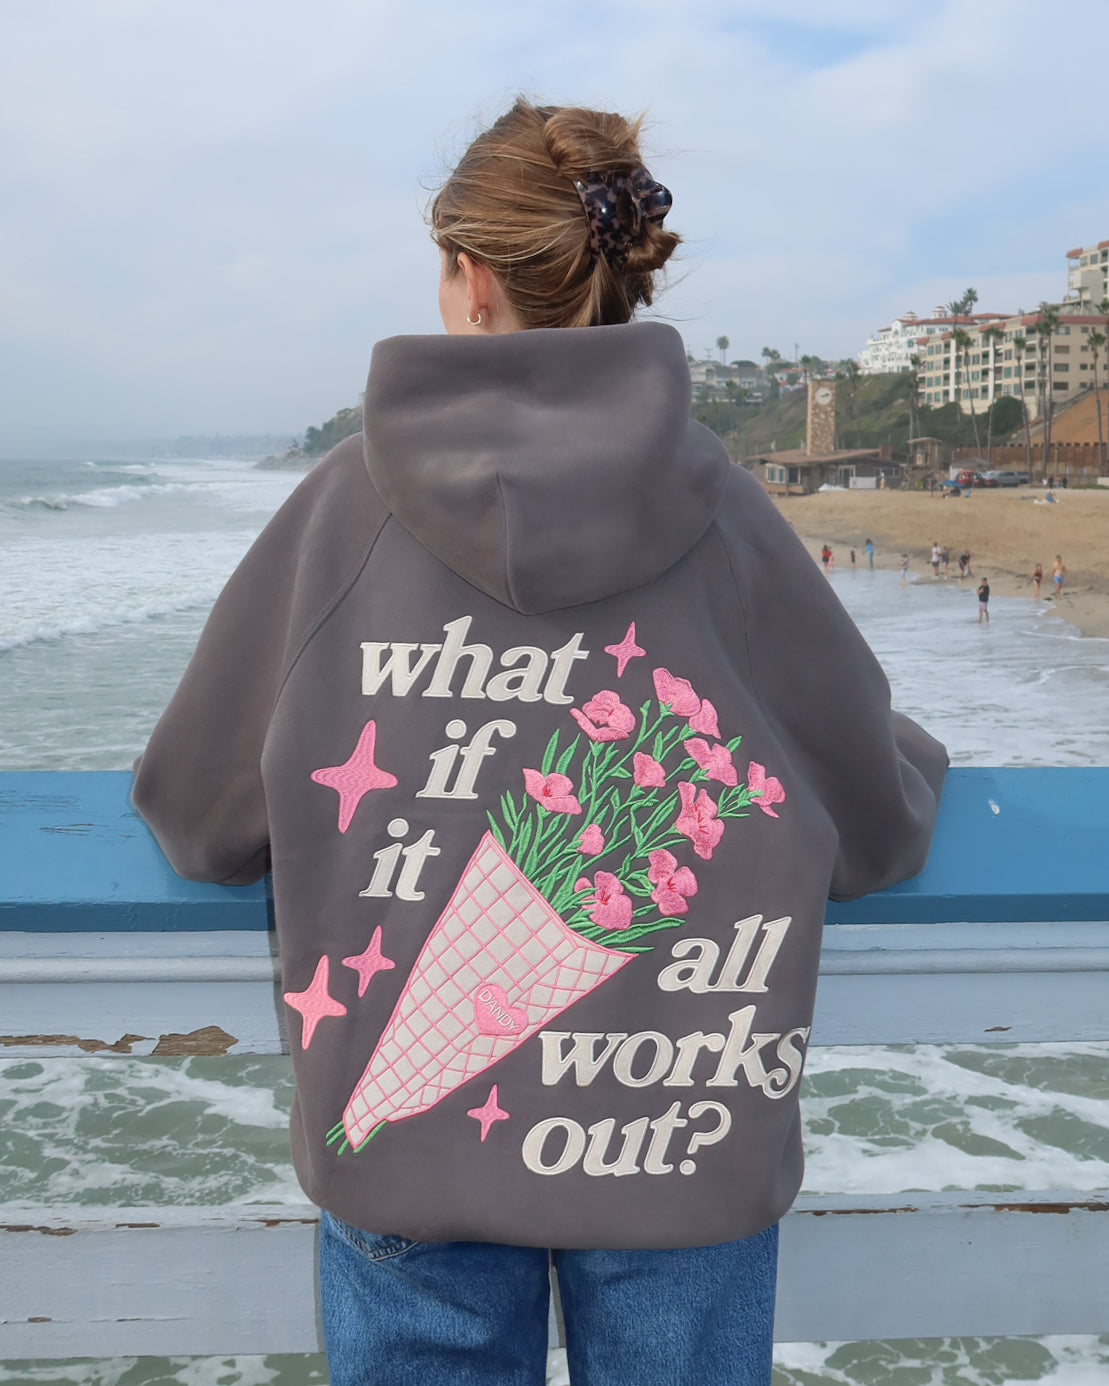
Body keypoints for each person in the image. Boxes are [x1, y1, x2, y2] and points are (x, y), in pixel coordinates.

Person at [130, 98, 947, 1386]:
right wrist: (897, 748)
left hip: (408, 1163)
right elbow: (880, 824)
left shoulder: (347, 506)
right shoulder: (722, 507)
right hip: (680, 1144)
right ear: (624, 277)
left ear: (465, 276)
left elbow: (198, 815)